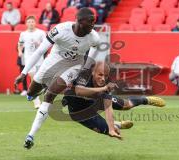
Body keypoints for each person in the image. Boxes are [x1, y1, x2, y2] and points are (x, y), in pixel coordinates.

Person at [14, 8, 118, 149]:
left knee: (50, 94)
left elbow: (94, 47)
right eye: (91, 21)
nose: (94, 24)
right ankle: (38, 90)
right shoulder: (61, 30)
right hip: (52, 62)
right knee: (31, 92)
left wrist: (85, 67)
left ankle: (31, 135)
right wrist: (24, 73)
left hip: (73, 66)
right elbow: (40, 51)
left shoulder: (93, 36)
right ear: (80, 22)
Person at [61, 62, 166, 135]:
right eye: (100, 75)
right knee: (109, 131)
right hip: (80, 112)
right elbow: (79, 91)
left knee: (126, 105)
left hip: (97, 100)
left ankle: (146, 100)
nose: (103, 78)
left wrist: (104, 89)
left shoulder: (104, 82)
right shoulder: (83, 76)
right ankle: (118, 125)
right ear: (93, 72)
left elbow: (108, 106)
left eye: (105, 76)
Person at [18, 16, 46, 108]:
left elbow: (46, 44)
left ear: (35, 22)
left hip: (40, 59)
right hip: (28, 58)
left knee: (40, 78)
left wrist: (39, 44)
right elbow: (20, 44)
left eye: (32, 22)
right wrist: (20, 52)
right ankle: (36, 101)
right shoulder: (23, 34)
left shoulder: (41, 33)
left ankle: (41, 96)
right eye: (29, 22)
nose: (31, 23)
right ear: (26, 23)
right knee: (33, 77)